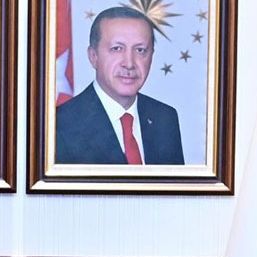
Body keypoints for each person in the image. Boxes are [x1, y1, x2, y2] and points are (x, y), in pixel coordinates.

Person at [55, 6, 183, 165]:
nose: (129, 63)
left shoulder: (165, 118)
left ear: (151, 56)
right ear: (93, 56)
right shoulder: (59, 125)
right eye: (117, 49)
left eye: (140, 50)